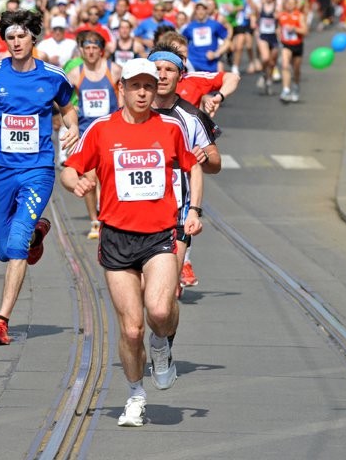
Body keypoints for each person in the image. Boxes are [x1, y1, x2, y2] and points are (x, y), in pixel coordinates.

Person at [60, 57, 202, 428]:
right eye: (135, 86)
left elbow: (193, 166)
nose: (142, 93)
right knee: (131, 328)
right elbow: (70, 167)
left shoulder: (170, 128)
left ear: (156, 91)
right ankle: (135, 394)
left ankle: (163, 344)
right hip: (117, 239)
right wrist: (75, 182)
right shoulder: (101, 129)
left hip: (159, 236)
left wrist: (194, 209)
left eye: (149, 87)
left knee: (159, 311)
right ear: (121, 88)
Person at [0, 8, 79, 346]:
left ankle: (1, 321)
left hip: (38, 169)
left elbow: (68, 107)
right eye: (10, 37)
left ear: (34, 38)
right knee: (4, 249)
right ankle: (36, 233)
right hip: (1, 169)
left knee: (16, 246)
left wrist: (73, 129)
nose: (16, 42)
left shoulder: (52, 75)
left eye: (22, 36)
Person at [149, 46, 221, 292]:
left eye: (169, 70)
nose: (162, 75)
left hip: (176, 216)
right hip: (136, 216)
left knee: (165, 293)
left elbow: (215, 164)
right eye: (157, 69)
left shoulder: (191, 116)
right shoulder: (132, 113)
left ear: (180, 76)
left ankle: (160, 331)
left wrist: (204, 159)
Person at [64, 30, 120, 239]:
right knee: (89, 178)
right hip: (87, 132)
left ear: (101, 50)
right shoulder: (75, 73)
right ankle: (94, 220)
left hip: (111, 131)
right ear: (82, 50)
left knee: (108, 178)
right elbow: (60, 96)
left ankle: (109, 216)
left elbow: (125, 92)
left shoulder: (114, 70)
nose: (90, 52)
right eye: (87, 48)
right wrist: (69, 111)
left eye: (94, 48)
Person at [277, 0, 308, 103]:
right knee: (285, 64)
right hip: (286, 45)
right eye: (288, 3)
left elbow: (305, 31)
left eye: (292, 3)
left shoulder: (299, 16)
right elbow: (279, 29)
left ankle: (296, 86)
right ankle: (286, 90)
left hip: (298, 45)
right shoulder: (281, 16)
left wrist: (294, 29)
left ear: (295, 5)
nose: (289, 5)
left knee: (296, 70)